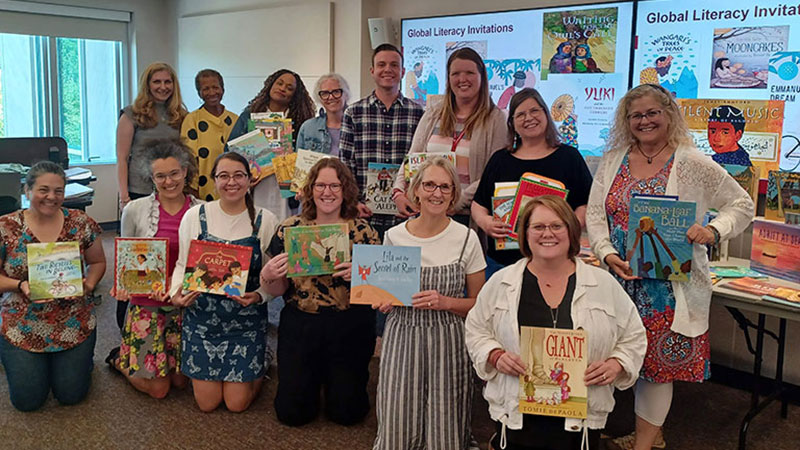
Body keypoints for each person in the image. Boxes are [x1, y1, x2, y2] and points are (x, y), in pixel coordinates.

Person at [586, 84, 754, 450]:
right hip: (619, 279)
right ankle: (647, 433)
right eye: (636, 115)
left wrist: (713, 230)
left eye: (652, 113)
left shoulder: (691, 161)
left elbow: (742, 204)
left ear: (669, 115)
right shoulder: (613, 159)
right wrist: (605, 252)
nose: (644, 121)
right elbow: (596, 214)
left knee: (656, 369)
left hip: (668, 289)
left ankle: (645, 444)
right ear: (626, 121)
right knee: (614, 357)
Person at [465, 196, 646, 450]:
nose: (547, 234)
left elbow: (634, 336)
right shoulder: (502, 283)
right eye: (538, 227)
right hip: (517, 419)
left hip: (579, 423)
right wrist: (495, 355)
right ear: (525, 233)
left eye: (556, 226)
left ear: (571, 231)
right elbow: (476, 329)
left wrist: (616, 364)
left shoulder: (603, 285)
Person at [373, 156, 486, 449]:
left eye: (445, 187)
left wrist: (446, 302)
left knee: (445, 425)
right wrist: (384, 300)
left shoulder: (466, 238)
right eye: (430, 185)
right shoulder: (394, 236)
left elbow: (479, 305)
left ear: (453, 194)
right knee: (398, 419)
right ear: (416, 190)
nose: (437, 193)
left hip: (448, 337)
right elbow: (385, 293)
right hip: (402, 333)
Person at [261, 158, 379, 426]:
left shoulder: (364, 232)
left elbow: (376, 293)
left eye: (335, 185)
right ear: (310, 189)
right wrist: (267, 276)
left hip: (350, 323)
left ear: (346, 189)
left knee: (348, 414)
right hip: (302, 323)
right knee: (292, 414)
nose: (328, 192)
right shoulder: (289, 229)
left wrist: (361, 278)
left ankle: (335, 380)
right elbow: (279, 290)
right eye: (320, 185)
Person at [170, 152, 279, 412]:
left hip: (245, 320)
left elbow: (273, 275)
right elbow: (182, 264)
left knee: (236, 404)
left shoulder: (266, 220)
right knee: (207, 404)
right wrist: (176, 294)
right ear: (215, 180)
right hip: (202, 319)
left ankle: (261, 360)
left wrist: (260, 295)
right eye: (224, 176)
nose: (232, 182)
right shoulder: (195, 216)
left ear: (250, 179)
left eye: (239, 175)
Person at [0, 161, 106, 411]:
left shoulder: (80, 222)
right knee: (27, 402)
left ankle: (79, 363)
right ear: (27, 190)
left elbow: (98, 262)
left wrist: (89, 284)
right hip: (21, 323)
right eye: (43, 190)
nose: (52, 197)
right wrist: (21, 285)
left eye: (59, 191)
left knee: (71, 395)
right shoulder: (5, 227)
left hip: (73, 320)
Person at [109, 138, 202, 398]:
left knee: (181, 382)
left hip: (184, 301)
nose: (168, 181)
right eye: (160, 176)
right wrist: (122, 286)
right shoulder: (135, 210)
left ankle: (145, 359)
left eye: (174, 173)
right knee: (159, 390)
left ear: (185, 171)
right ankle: (119, 360)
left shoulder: (201, 210)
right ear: (151, 178)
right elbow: (126, 255)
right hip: (147, 303)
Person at [471, 88, 593, 275]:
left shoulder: (569, 157)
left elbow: (586, 203)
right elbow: (479, 204)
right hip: (503, 265)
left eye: (534, 110)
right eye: (520, 114)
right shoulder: (500, 160)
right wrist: (486, 223)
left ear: (546, 114)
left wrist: (569, 226)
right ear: (512, 123)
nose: (528, 118)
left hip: (556, 263)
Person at [393, 47, 509, 225]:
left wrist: (456, 201)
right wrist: (398, 192)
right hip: (427, 214)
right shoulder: (433, 113)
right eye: (455, 74)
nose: (462, 79)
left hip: (467, 218)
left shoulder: (496, 119)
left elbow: (493, 173)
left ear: (482, 77)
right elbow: (413, 157)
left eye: (469, 73)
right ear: (448, 79)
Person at [116, 62, 187, 332]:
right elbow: (122, 157)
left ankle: (168, 321)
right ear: (147, 84)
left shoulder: (179, 115)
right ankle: (126, 326)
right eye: (157, 82)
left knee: (169, 255)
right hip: (138, 192)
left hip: (170, 191)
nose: (162, 87)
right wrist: (124, 197)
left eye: (167, 82)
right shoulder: (131, 114)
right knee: (134, 262)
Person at [340, 43, 425, 239]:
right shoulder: (354, 113)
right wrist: (353, 202)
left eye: (394, 65)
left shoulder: (418, 113)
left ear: (402, 72)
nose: (388, 69)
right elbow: (345, 164)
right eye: (381, 64)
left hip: (406, 216)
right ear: (372, 71)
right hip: (364, 215)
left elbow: (421, 163)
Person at [228, 69, 315, 221]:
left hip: (287, 187)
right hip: (257, 182)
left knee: (285, 222)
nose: (282, 88)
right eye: (279, 83)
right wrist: (244, 173)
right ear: (270, 85)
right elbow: (231, 151)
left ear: (294, 95)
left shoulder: (301, 120)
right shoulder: (249, 115)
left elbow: (307, 155)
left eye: (289, 88)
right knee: (256, 221)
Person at [181, 69, 239, 202]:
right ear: (199, 93)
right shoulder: (192, 120)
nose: (212, 92)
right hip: (203, 192)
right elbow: (188, 158)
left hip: (233, 188)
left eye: (215, 87)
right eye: (206, 89)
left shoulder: (235, 120)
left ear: (223, 89)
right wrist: (192, 190)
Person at [296, 73, 352, 156]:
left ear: (346, 95)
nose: (331, 97)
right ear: (319, 98)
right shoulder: (308, 128)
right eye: (325, 93)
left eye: (336, 92)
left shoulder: (357, 126)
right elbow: (299, 161)